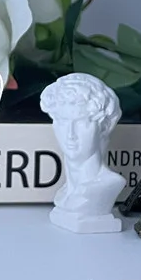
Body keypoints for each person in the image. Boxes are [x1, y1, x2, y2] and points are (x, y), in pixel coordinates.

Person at [40, 73, 126, 233]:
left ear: (103, 127)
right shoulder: (63, 194)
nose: (70, 134)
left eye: (81, 123)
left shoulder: (108, 184)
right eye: (63, 122)